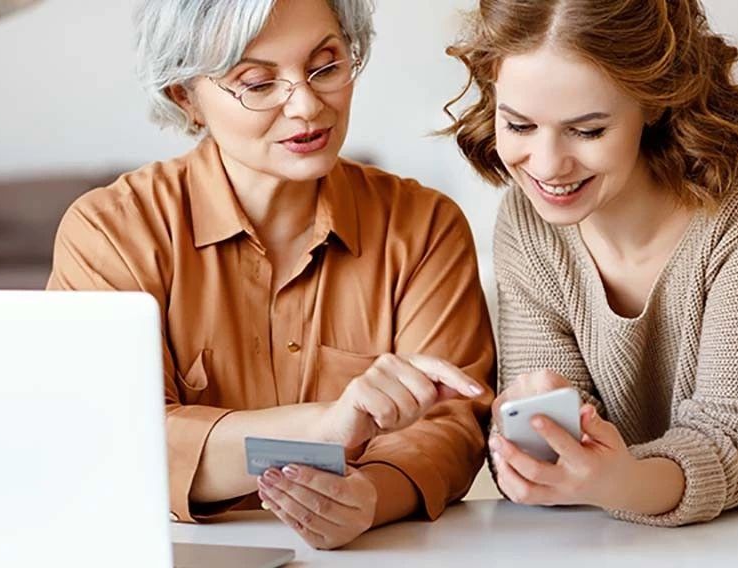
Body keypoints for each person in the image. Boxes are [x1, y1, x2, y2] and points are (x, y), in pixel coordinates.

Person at [47, 0, 496, 550]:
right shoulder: (112, 232)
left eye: (326, 66)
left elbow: (452, 422)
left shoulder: (423, 226)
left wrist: (371, 496)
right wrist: (325, 428)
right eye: (258, 83)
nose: (306, 105)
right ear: (185, 98)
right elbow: (111, 440)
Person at [442, 0, 738, 527]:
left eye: (587, 130)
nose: (547, 165)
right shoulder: (527, 221)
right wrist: (545, 431)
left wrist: (613, 479)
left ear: (653, 102)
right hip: (635, 521)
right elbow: (561, 462)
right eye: (519, 125)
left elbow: (737, 442)